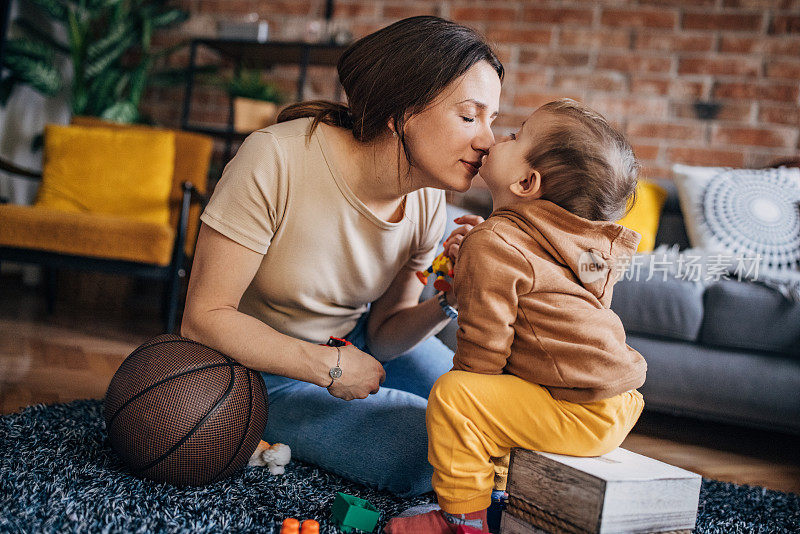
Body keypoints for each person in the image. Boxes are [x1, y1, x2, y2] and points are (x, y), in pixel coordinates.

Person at [180, 16, 502, 496]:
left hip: (354, 344)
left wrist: (446, 301)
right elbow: (203, 318)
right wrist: (328, 367)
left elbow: (384, 335)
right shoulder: (275, 159)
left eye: (491, 120)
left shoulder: (428, 199)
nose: (487, 141)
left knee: (495, 420)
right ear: (402, 112)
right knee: (436, 448)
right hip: (262, 372)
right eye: (469, 115)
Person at [384, 99, 648, 533]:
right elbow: (535, 291)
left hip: (577, 409)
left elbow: (485, 345)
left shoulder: (497, 244)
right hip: (615, 403)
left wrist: (468, 395)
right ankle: (500, 498)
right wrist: (475, 254)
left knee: (458, 395)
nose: (495, 138)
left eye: (514, 136)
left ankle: (461, 520)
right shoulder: (556, 243)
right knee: (504, 398)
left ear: (526, 182)